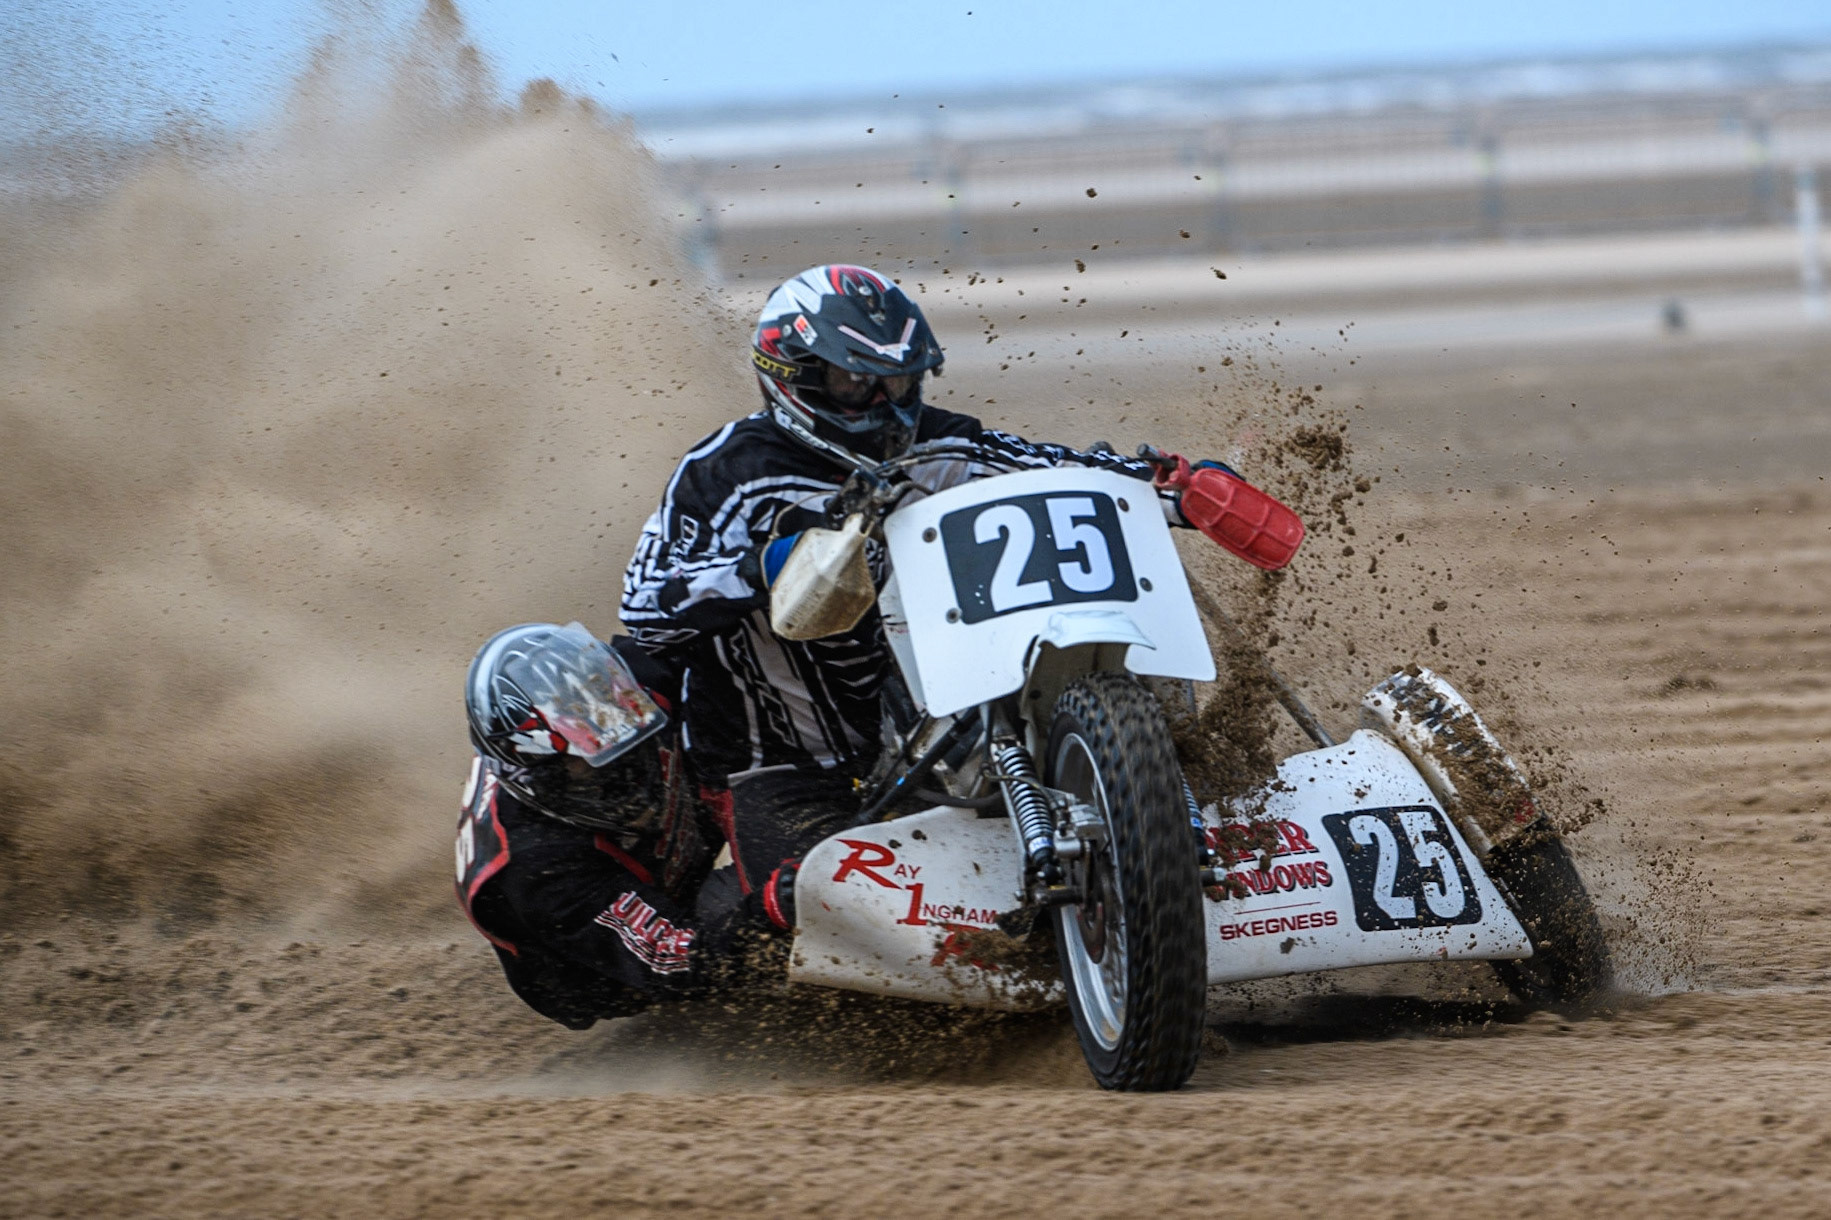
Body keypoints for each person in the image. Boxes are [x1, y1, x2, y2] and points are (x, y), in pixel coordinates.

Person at [620, 263, 1223, 892]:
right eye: (859, 381)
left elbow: (1054, 471)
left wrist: (1175, 489)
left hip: (931, 736)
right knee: (810, 908)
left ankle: (1149, 801)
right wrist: (760, 568)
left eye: (902, 380)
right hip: (781, 765)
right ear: (794, 376)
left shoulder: (943, 443)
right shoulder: (724, 473)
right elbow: (644, 608)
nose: (887, 403)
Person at [455, 620, 796, 1029]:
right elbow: (679, 957)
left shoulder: (643, 677)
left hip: (656, 859)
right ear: (533, 777)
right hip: (595, 971)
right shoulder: (539, 869)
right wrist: (773, 908)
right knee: (764, 928)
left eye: (622, 749)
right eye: (585, 769)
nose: (622, 779)